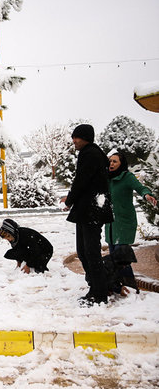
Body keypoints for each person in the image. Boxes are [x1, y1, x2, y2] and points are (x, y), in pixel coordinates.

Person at [60, 124, 113, 307]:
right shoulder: (91, 152)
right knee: (84, 251)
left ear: (86, 138)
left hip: (91, 209)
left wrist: (69, 201)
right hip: (88, 209)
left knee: (90, 252)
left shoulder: (90, 153)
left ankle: (99, 293)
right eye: (73, 137)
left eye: (77, 137)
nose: (74, 141)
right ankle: (96, 287)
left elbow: (81, 181)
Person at [105, 152, 156, 252]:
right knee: (114, 258)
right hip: (110, 223)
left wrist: (146, 195)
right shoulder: (107, 178)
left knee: (121, 257)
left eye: (115, 161)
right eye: (110, 161)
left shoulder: (127, 177)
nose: (111, 164)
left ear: (121, 163)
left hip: (124, 222)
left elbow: (140, 188)